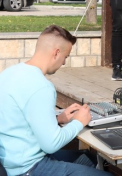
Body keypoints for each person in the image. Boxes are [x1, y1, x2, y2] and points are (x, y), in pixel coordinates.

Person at [0, 25, 111, 176]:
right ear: (56, 53)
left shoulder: (9, 73)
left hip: (10, 160)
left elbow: (19, 118)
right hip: (27, 168)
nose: (64, 63)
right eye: (65, 57)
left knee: (89, 159)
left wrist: (58, 119)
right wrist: (79, 122)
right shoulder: (41, 87)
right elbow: (51, 145)